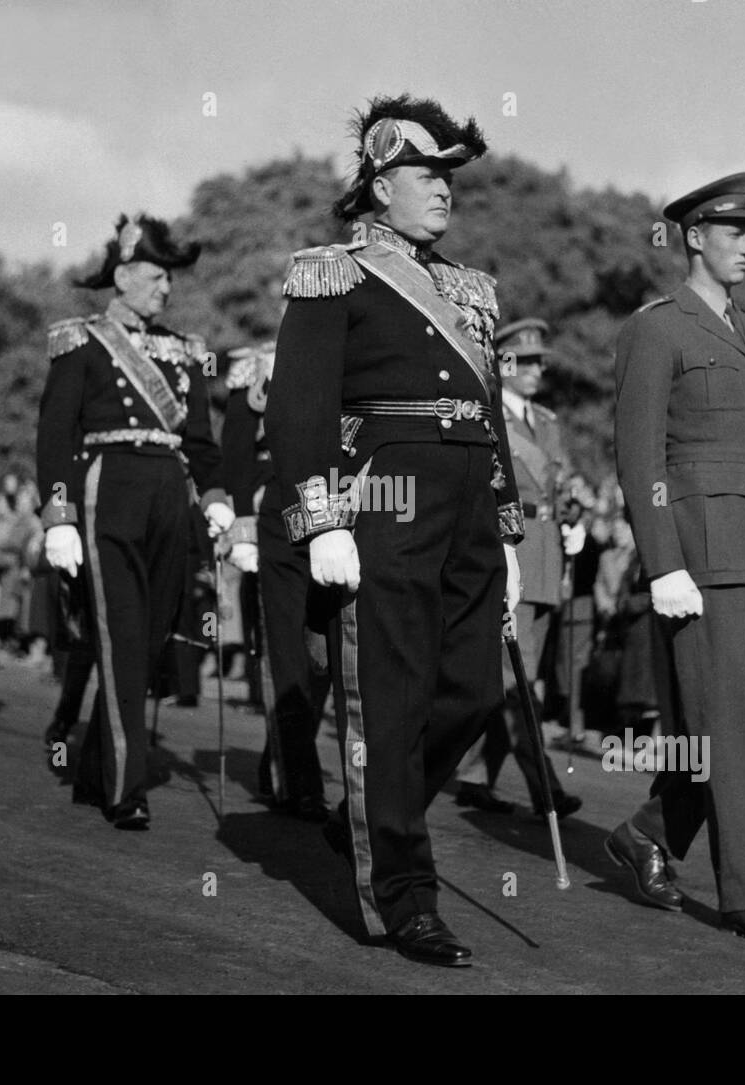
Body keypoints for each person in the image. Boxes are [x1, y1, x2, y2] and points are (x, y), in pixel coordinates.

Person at [265, 94, 523, 967]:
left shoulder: (471, 288)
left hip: (468, 505)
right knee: (392, 695)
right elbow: (297, 406)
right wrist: (321, 516)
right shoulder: (332, 272)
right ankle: (405, 896)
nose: (444, 189)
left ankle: (368, 806)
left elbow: (489, 412)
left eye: (450, 174)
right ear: (379, 184)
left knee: (475, 693)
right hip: (387, 494)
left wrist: (508, 525)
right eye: (425, 173)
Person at [605, 172, 745, 946]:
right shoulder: (656, 329)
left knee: (736, 723)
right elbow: (639, 456)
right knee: (733, 730)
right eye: (736, 232)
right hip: (704, 555)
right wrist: (662, 562)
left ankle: (646, 831)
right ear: (694, 236)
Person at [38, 212, 233, 830]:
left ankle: (98, 769)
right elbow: (55, 437)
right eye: (154, 275)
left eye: (169, 277)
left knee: (149, 646)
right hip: (107, 492)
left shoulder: (186, 352)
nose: (165, 287)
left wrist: (219, 496)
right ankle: (126, 787)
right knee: (121, 637)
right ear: (122, 276)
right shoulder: (81, 341)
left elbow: (199, 440)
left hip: (169, 498)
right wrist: (59, 517)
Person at [453, 318, 582, 819]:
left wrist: (575, 511)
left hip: (549, 554)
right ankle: (544, 787)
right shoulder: (487, 416)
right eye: (524, 362)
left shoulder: (546, 421)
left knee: (518, 676)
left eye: (540, 361)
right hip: (512, 549)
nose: (536, 370)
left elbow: (562, 480)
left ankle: (474, 774)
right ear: (502, 363)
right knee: (518, 680)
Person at [223, 340, 332, 821]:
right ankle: (300, 782)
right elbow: (236, 450)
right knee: (287, 652)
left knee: (323, 655)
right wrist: (242, 524)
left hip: (339, 504)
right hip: (278, 506)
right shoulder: (259, 367)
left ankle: (281, 761)